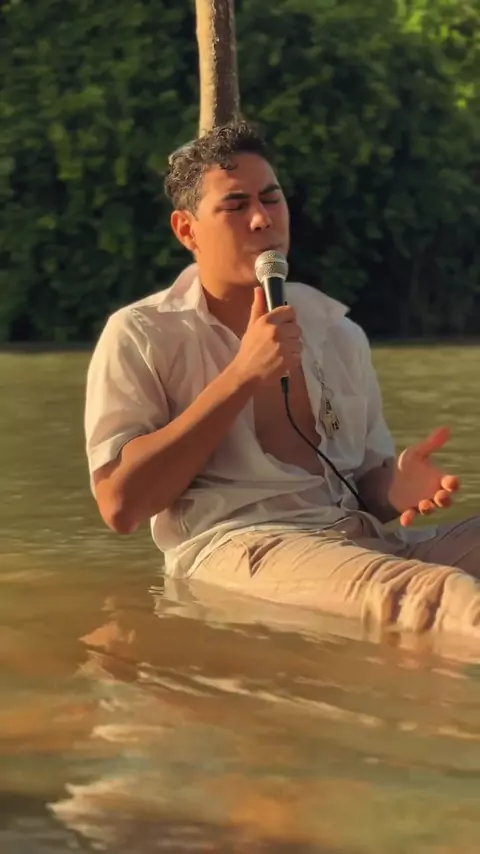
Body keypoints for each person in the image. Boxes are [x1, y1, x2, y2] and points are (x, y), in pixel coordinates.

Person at [84, 120, 480, 641]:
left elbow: (365, 485)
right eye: (235, 206)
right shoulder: (141, 333)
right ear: (186, 230)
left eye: (271, 199)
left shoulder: (337, 331)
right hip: (241, 546)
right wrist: (242, 376)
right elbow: (120, 505)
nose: (261, 219)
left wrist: (395, 488)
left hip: (361, 540)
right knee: (437, 597)